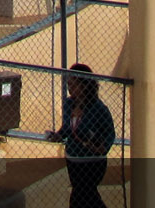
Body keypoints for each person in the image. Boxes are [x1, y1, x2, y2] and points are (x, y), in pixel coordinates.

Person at [51, 64, 116, 208]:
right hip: (73, 159)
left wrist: (101, 147)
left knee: (82, 194)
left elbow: (109, 133)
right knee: (84, 196)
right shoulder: (68, 104)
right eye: (69, 84)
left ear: (84, 85)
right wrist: (58, 135)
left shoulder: (99, 109)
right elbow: (68, 128)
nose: (70, 88)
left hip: (92, 161)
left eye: (74, 85)